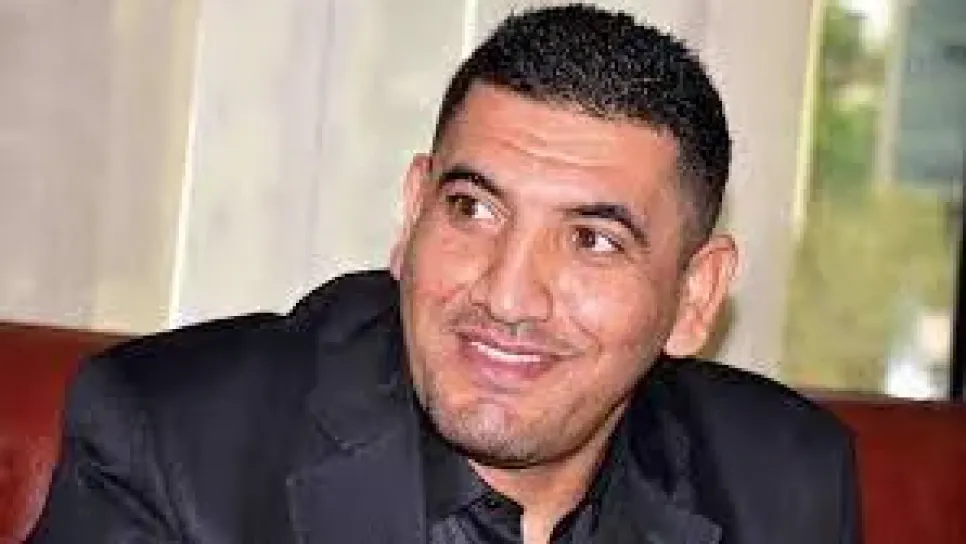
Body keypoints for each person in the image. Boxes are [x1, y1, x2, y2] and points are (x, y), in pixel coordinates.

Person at [30, 4, 861, 544]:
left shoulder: (782, 486)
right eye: (474, 209)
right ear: (413, 213)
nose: (506, 295)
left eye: (592, 241)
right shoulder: (172, 443)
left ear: (696, 296)